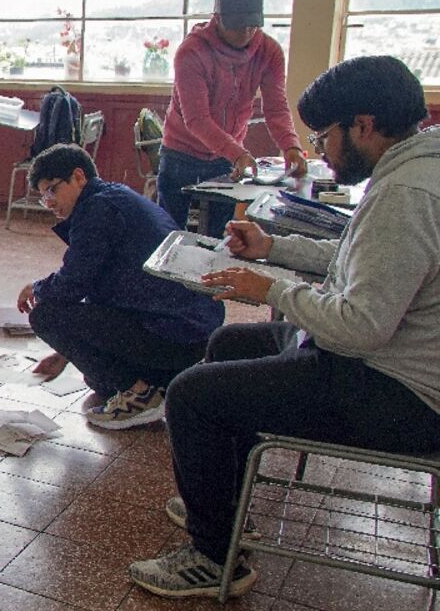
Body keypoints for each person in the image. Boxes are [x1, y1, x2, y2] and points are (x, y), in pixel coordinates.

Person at [129, 56, 440, 599]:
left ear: (362, 125)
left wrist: (269, 289)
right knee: (227, 343)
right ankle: (223, 502)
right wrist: (272, 248)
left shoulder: (405, 195)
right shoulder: (414, 165)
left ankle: (213, 556)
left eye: (323, 138)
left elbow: (359, 329)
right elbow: (357, 257)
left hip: (401, 394)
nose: (320, 151)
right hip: (385, 359)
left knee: (192, 395)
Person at [17, 144, 224, 429]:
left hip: (173, 333)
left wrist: (37, 288)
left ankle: (141, 396)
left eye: (52, 190)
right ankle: (160, 383)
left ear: (78, 177)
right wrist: (64, 353)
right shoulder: (117, 196)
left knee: (45, 315)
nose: (49, 202)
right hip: (192, 332)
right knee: (98, 380)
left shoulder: (96, 210)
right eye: (43, 197)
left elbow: (72, 285)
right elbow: (100, 286)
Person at [157, 0, 308, 237]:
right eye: (238, 26)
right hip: (181, 154)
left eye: (253, 25)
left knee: (217, 235)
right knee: (167, 232)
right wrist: (237, 153)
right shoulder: (191, 52)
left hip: (225, 159)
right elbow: (197, 119)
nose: (246, 33)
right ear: (218, 19)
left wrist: (290, 146)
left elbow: (276, 107)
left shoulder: (269, 51)